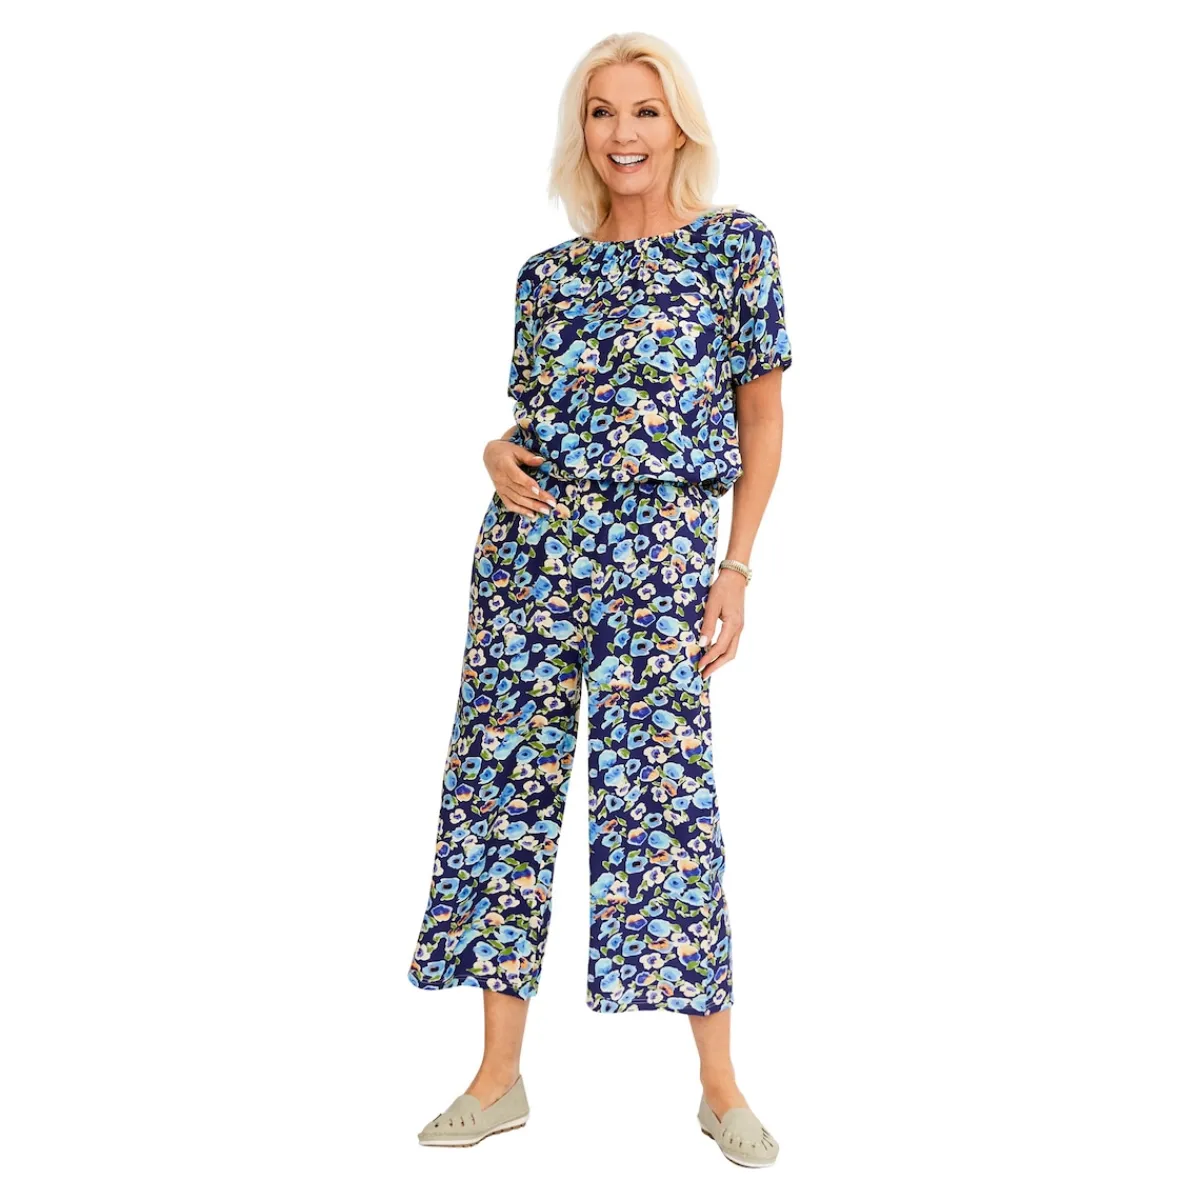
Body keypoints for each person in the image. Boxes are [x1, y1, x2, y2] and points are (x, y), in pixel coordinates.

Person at [407, 31, 792, 1168]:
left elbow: (762, 418)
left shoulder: (735, 250)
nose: (623, 132)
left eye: (644, 110)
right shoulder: (548, 275)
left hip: (663, 557)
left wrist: (735, 566)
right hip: (531, 555)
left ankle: (720, 1086)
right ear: (581, 132)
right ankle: (497, 1078)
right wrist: (492, 453)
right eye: (601, 111)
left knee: (664, 804)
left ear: (681, 127)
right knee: (502, 793)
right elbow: (533, 423)